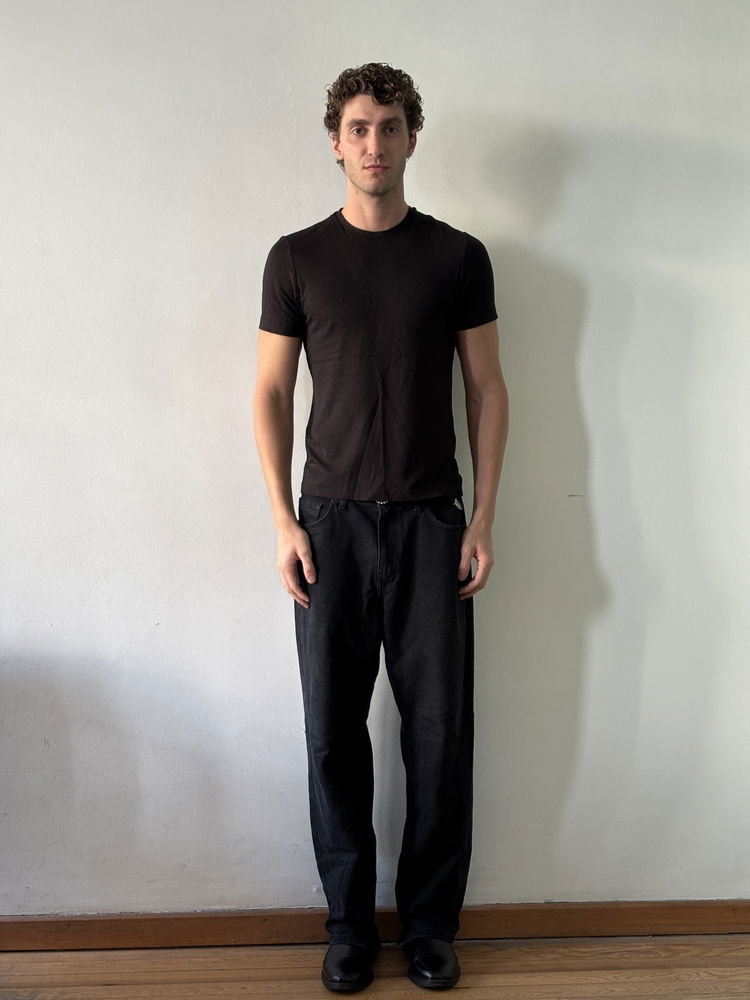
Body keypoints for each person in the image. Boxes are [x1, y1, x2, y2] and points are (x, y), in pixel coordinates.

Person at [254, 62, 509, 993]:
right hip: (329, 528)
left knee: (438, 735)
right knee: (332, 733)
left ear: (411, 138)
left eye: (390, 126)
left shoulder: (457, 256)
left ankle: (432, 928)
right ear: (336, 141)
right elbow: (271, 392)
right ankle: (349, 928)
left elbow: (487, 389)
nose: (374, 144)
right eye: (358, 128)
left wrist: (483, 516)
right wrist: (283, 520)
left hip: (433, 524)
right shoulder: (295, 258)